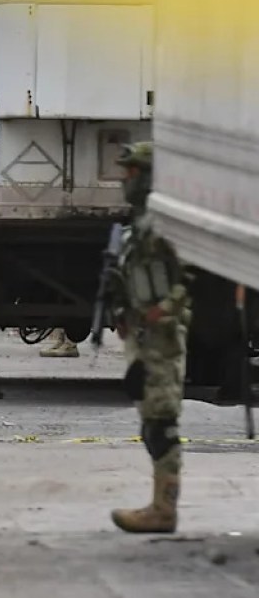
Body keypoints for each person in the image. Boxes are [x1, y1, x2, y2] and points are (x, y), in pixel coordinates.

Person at [108, 142, 191, 534]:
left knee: (162, 424)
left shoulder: (166, 224)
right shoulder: (137, 225)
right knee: (150, 421)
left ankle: (164, 510)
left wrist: (166, 309)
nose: (126, 180)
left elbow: (189, 277)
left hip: (164, 337)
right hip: (142, 335)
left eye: (132, 173)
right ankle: (159, 505)